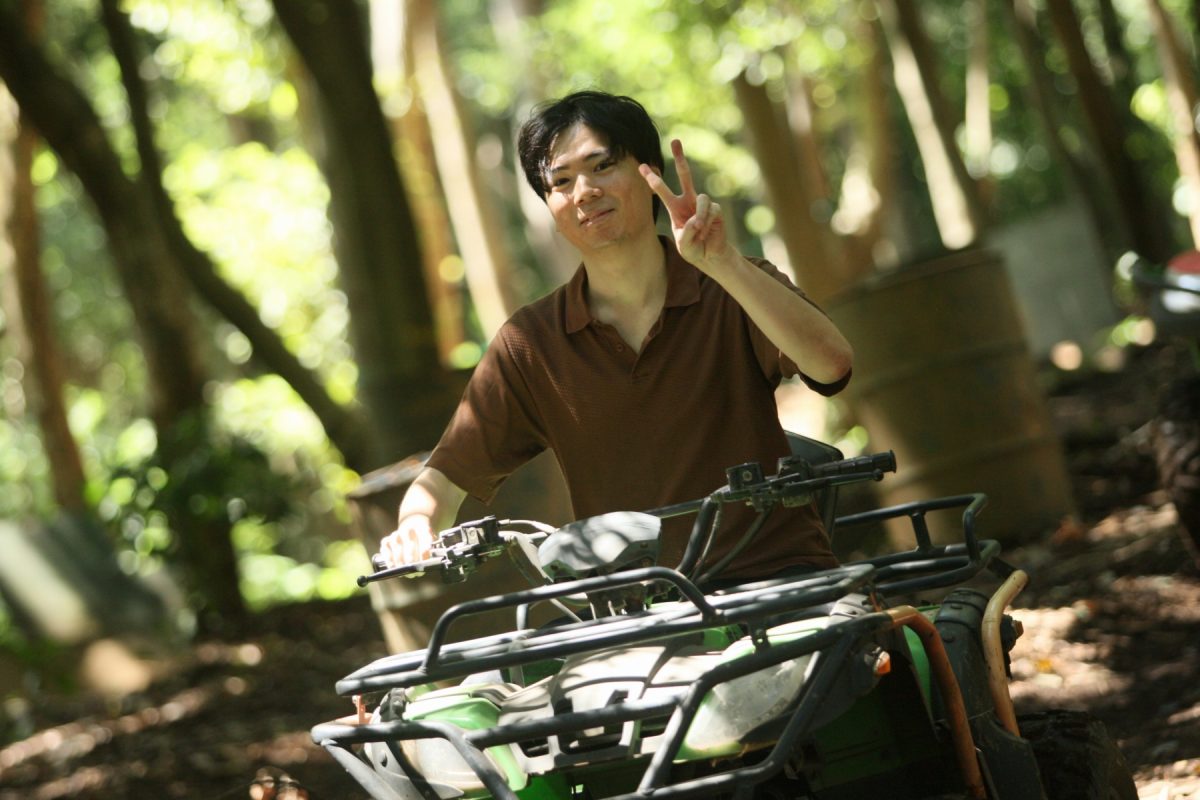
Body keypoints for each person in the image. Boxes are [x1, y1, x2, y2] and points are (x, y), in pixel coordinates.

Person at [380, 90, 853, 582]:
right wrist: (414, 525)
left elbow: (832, 365)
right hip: (632, 604)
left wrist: (724, 263)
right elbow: (443, 478)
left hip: (783, 579)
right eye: (561, 181)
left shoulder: (734, 284)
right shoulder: (530, 343)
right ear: (550, 207)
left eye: (601, 166)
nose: (584, 191)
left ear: (651, 174)